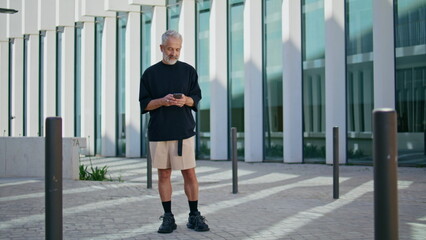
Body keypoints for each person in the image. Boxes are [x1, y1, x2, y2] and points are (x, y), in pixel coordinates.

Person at [139, 30, 209, 234]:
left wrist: (184, 100)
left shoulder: (188, 71)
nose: (174, 53)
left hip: (183, 131)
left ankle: (194, 215)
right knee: (164, 174)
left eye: (177, 49)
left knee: (190, 173)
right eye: (170, 49)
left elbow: (196, 97)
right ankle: (168, 217)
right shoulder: (150, 74)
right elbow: (145, 104)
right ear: (161, 48)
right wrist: (162, 101)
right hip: (159, 132)